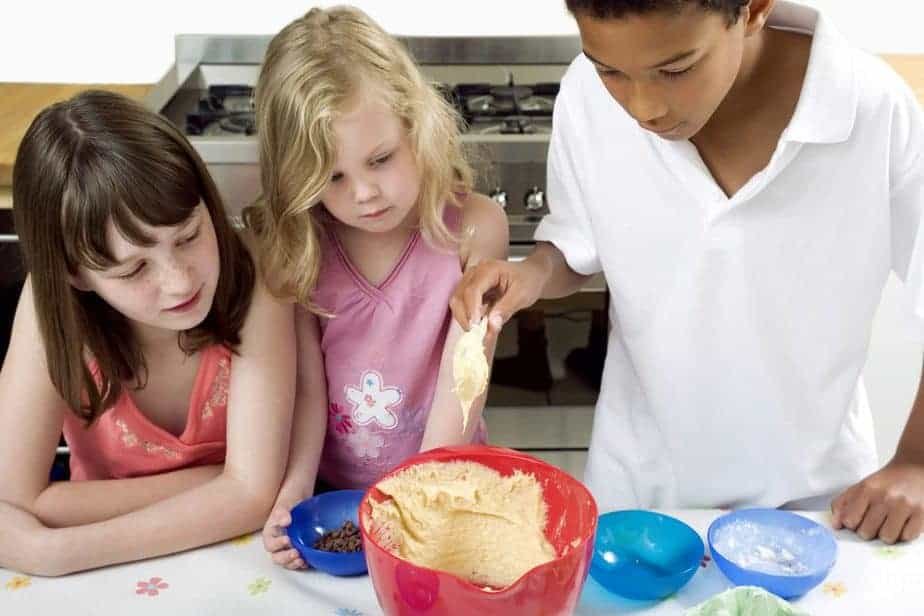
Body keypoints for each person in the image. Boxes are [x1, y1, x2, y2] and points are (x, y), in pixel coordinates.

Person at [451, 0, 924, 544]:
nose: (644, 107)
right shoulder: (585, 95)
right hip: (640, 496)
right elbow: (575, 243)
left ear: (753, 10)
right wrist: (533, 273)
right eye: (610, 69)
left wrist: (915, 461)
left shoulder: (870, 108)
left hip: (817, 505)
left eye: (675, 70)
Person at [247, 6, 509, 569]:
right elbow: (307, 389)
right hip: (336, 501)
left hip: (449, 482)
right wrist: (293, 491)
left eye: (381, 159)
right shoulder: (302, 245)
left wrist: (417, 502)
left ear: (416, 123)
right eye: (332, 176)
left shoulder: (473, 229)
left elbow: (464, 385)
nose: (364, 193)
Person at [0, 91, 296, 576]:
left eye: (188, 236)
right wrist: (222, 482)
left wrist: (56, 550)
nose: (180, 280)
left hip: (245, 563)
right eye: (134, 269)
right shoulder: (51, 307)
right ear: (76, 274)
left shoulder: (255, 274)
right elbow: (15, 497)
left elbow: (255, 494)